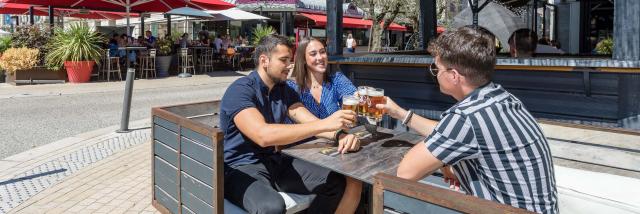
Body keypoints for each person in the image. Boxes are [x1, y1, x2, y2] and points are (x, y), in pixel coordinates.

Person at [378, 26, 558, 213]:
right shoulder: (501, 97)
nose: (435, 74)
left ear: (454, 76)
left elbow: (404, 173)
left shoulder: (466, 117)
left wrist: (445, 161)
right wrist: (399, 113)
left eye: (436, 68)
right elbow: (449, 133)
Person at [221, 34, 361, 214]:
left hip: (274, 162)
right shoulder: (241, 89)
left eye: (290, 59)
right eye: (283, 60)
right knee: (272, 207)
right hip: (240, 168)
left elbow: (310, 121)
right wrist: (326, 124)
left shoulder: (283, 90)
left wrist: (340, 135)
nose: (289, 65)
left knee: (336, 182)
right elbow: (263, 135)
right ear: (264, 60)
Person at [287, 37, 363, 213]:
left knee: (357, 180)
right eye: (313, 54)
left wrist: (362, 99)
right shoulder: (293, 88)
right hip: (304, 153)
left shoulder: (335, 79)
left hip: (334, 148)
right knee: (348, 181)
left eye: (322, 52)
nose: (320, 57)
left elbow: (354, 96)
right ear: (302, 59)